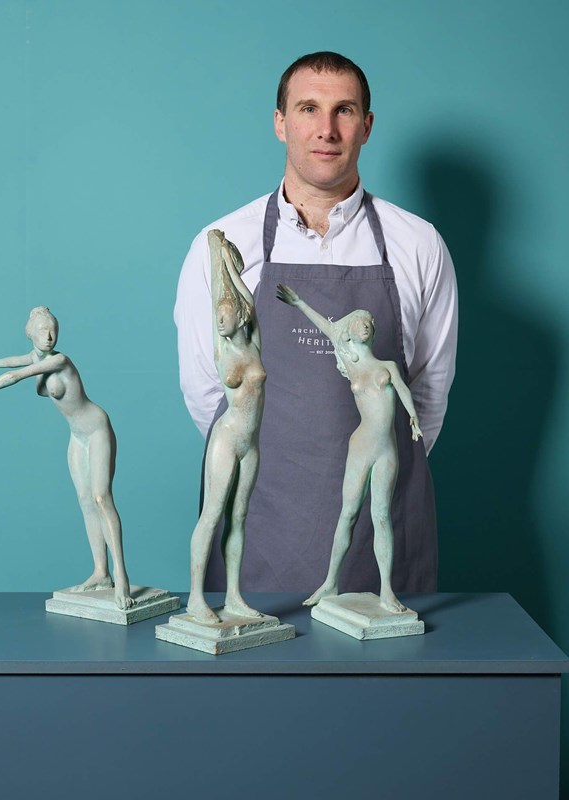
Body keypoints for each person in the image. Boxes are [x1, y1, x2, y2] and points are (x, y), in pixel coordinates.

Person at [174, 52, 458, 594]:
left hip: (379, 519)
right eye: (308, 109)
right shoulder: (223, 246)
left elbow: (429, 392)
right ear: (280, 122)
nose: (326, 129)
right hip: (258, 527)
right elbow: (208, 393)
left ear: (366, 126)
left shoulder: (418, 244)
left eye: (344, 110)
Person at [0, 307, 134, 610]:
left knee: (101, 498)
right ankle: (101, 573)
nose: (48, 336)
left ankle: (122, 579)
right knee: (85, 501)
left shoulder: (60, 360)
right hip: (77, 435)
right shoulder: (36, 356)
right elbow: (13, 361)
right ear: (30, 334)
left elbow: (14, 375)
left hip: (96, 428)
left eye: (52, 329)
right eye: (42, 330)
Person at [277, 286, 421, 611]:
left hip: (387, 449)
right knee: (349, 513)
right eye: (358, 322)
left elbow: (403, 391)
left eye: (368, 321)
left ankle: (387, 591)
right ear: (350, 333)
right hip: (361, 445)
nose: (364, 324)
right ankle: (330, 582)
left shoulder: (388, 366)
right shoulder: (352, 366)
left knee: (381, 516)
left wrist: (413, 417)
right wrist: (300, 302)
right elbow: (327, 328)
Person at [187, 230, 265, 623]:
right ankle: (195, 598)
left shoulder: (253, 344)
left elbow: (248, 299)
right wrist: (217, 254)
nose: (219, 321)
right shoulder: (223, 349)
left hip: (251, 443)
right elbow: (223, 299)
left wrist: (233, 270)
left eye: (225, 315)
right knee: (212, 514)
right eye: (217, 316)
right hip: (228, 438)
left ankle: (234, 596)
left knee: (240, 517)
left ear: (240, 317)